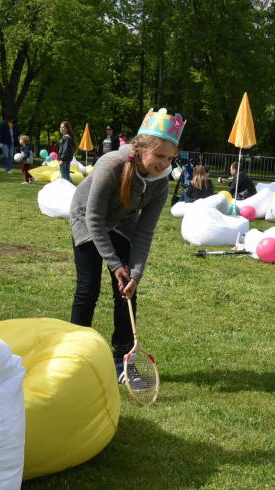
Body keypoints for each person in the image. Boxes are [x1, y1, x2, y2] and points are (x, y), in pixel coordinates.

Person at [69, 107, 184, 381]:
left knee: (127, 291)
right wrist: (113, 263)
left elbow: (144, 233)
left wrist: (134, 273)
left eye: (169, 159)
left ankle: (123, 360)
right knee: (88, 288)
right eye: (159, 156)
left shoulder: (160, 184)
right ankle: (74, 354)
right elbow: (94, 218)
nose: (163, 164)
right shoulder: (111, 165)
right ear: (141, 148)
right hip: (87, 218)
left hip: (122, 221)